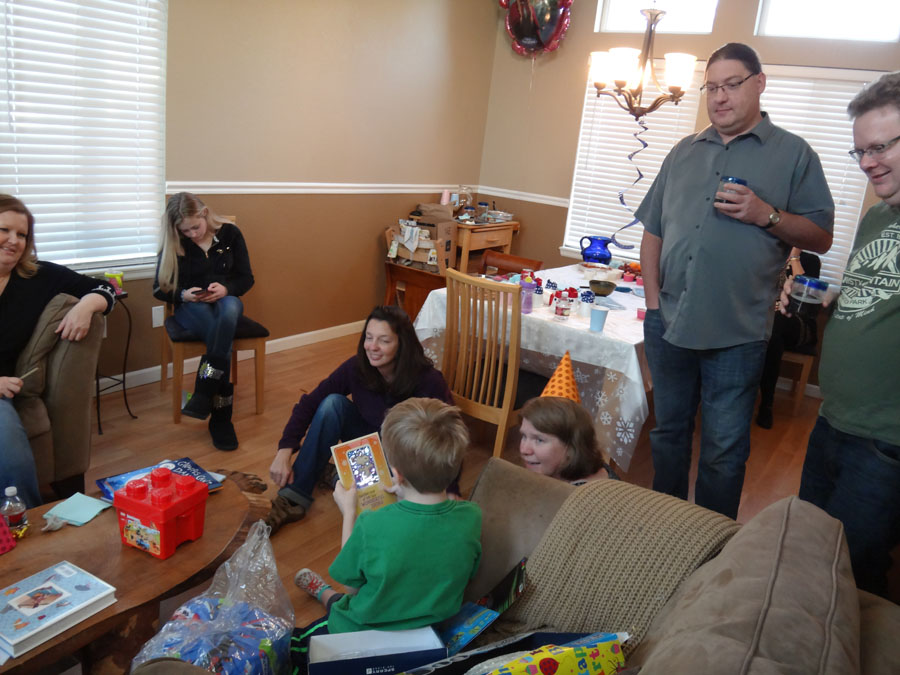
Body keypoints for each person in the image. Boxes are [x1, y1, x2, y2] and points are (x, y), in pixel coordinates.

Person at [635, 42, 834, 519]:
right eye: (711, 88)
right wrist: (653, 304)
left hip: (738, 333)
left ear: (759, 84)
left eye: (731, 85)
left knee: (723, 452)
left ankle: (713, 540)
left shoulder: (795, 154)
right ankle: (664, 528)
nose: (720, 97)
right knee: (668, 435)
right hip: (669, 323)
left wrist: (767, 215)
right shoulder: (683, 152)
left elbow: (821, 236)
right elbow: (653, 232)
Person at [791, 70, 900, 596]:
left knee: (853, 576)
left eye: (881, 147)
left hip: (885, 439)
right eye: (860, 150)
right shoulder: (878, 217)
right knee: (809, 551)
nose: (867, 163)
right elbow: (872, 293)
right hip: (833, 419)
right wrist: (831, 297)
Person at [289, 398, 481, 664]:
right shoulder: (471, 516)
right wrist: (405, 493)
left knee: (296, 646)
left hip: (364, 629)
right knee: (371, 593)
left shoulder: (371, 524)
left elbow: (352, 586)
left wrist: (349, 513)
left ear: (397, 474)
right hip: (428, 633)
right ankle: (324, 593)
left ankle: (326, 595)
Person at [268, 305, 453, 533]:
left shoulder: (429, 380)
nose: (372, 347)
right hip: (366, 445)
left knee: (392, 514)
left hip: (402, 458)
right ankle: (294, 496)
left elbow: (449, 435)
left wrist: (451, 488)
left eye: (384, 340)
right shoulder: (356, 367)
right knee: (332, 404)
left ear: (402, 344)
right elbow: (310, 403)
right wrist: (284, 450)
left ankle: (338, 474)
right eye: (369, 337)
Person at [0, 195, 115, 508]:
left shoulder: (38, 277)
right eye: (4, 230)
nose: (13, 241)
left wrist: (86, 307)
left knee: (11, 455)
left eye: (22, 234)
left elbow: (104, 287)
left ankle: (24, 527)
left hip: (4, 398)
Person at [153, 192, 254, 451]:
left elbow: (246, 278)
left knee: (229, 311)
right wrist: (183, 295)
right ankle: (221, 417)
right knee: (219, 332)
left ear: (205, 214)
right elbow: (158, 288)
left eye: (195, 227)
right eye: (185, 231)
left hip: (226, 300)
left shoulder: (230, 234)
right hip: (191, 306)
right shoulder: (175, 241)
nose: (192, 235)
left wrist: (227, 288)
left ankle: (203, 391)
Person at [756, 248, 821, 429]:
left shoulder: (810, 260)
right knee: (773, 332)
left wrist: (794, 257)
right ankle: (755, 398)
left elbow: (807, 303)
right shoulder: (767, 253)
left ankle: (766, 404)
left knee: (776, 323)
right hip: (768, 322)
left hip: (798, 322)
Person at [518, 396, 611, 484]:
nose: (524, 450)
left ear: (571, 446)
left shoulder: (579, 493)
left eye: (539, 440)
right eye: (524, 436)